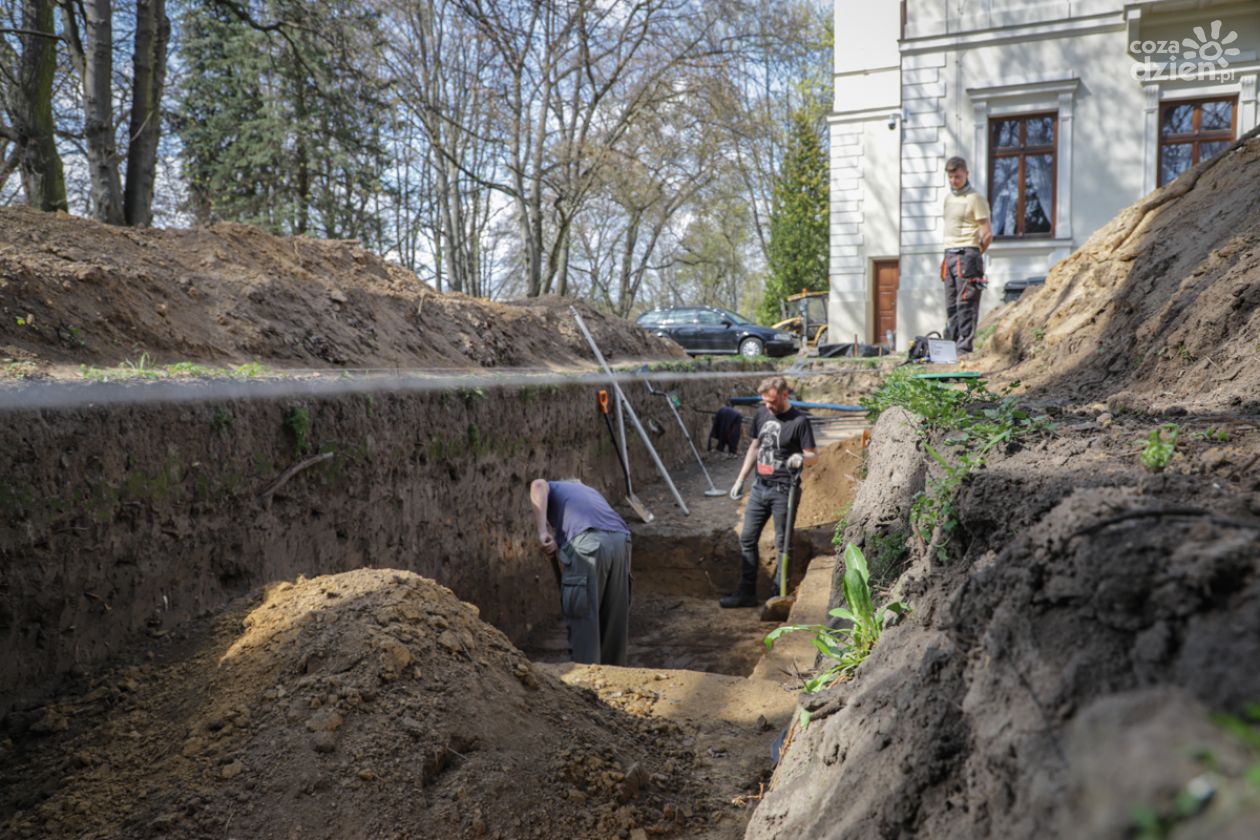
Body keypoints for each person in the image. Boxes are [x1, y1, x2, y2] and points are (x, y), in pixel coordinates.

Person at [720, 376, 818, 608]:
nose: (769, 406)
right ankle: (747, 593)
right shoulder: (762, 414)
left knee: (783, 543)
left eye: (772, 402)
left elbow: (814, 455)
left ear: (785, 395)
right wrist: (740, 479)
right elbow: (755, 446)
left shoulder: (799, 421)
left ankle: (778, 595)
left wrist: (801, 457)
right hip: (759, 488)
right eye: (765, 401)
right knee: (747, 538)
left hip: (785, 490)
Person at [529, 478, 631, 665]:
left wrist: (542, 531)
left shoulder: (555, 487)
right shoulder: (588, 492)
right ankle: (615, 680)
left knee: (583, 617)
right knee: (613, 619)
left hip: (590, 544)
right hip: (621, 542)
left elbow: (537, 484)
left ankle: (587, 681)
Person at [941, 156, 993, 354]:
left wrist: (975, 254)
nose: (954, 181)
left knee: (966, 302)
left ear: (966, 174)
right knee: (951, 303)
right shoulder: (948, 199)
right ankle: (950, 348)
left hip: (967, 254)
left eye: (958, 177)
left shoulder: (975, 198)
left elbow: (987, 233)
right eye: (951, 177)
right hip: (949, 254)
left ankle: (964, 347)